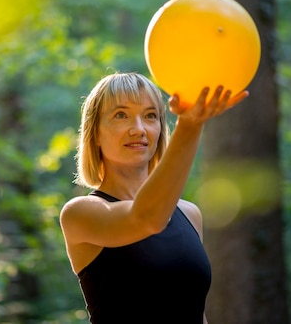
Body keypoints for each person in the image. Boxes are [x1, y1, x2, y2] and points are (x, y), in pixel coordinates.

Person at [59, 72, 247, 324]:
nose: (139, 129)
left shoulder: (190, 214)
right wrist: (190, 125)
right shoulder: (80, 213)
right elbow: (146, 219)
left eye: (150, 116)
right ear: (95, 134)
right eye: (121, 115)